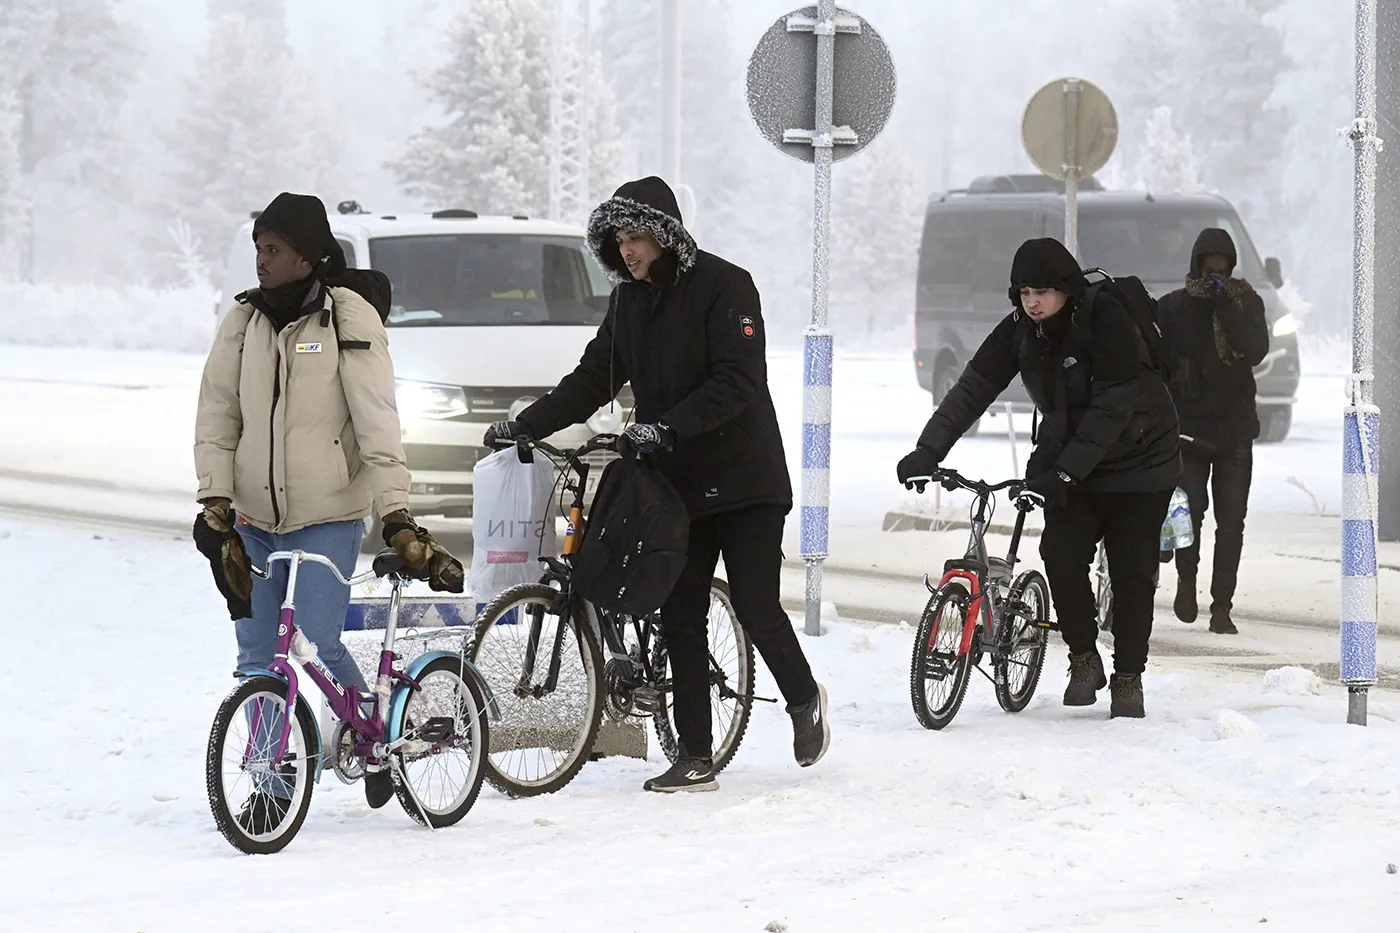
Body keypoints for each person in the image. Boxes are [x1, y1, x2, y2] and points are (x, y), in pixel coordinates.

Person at [484, 176, 829, 791]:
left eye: (637, 236)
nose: (628, 250)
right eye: (619, 238)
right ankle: (696, 754)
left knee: (754, 605)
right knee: (681, 613)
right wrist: (526, 426)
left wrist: (665, 428)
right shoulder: (628, 303)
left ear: (666, 235)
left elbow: (736, 381)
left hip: (746, 482)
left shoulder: (727, 287)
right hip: (676, 487)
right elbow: (593, 379)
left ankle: (804, 700)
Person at [193, 192, 463, 829]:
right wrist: (216, 500)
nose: (261, 261)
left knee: (314, 638)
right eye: (258, 248)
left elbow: (377, 423)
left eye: (274, 249)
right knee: (258, 654)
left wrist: (395, 515)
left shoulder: (348, 318)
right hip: (255, 520)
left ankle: (367, 720)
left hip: (330, 514)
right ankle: (268, 778)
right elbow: (217, 415)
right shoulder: (241, 322)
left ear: (308, 256)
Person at [896, 238, 1180, 718]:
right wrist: (929, 448)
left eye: (1043, 290)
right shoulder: (1021, 332)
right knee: (1060, 554)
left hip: (1139, 461)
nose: (1032, 301)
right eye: (1024, 291)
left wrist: (1064, 473)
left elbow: (1113, 406)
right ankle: (1084, 658)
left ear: (1067, 289)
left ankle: (1128, 677)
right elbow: (974, 386)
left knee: (1132, 574)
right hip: (1071, 461)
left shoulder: (1105, 317)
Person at [1157, 228, 1270, 635]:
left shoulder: (1245, 302)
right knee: (1189, 516)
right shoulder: (1174, 308)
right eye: (1210, 268)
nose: (1217, 275)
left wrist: (1228, 307)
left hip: (1235, 428)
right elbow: (1157, 359)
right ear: (1197, 265)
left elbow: (1255, 350)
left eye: (1223, 268)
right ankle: (1187, 584)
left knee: (1232, 520)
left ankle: (1222, 605)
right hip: (1189, 429)